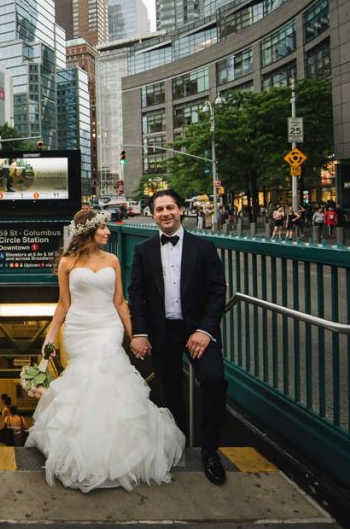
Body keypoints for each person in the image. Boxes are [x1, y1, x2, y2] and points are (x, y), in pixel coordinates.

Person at [26, 208, 184, 492]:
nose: (109, 233)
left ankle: (114, 450)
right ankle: (85, 447)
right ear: (89, 231)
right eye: (103, 228)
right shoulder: (67, 262)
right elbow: (63, 305)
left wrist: (134, 336)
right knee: (85, 383)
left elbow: (120, 302)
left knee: (106, 374)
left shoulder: (112, 260)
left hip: (108, 328)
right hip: (77, 329)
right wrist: (50, 338)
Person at [128, 188, 229, 486]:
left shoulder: (204, 247)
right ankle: (177, 449)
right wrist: (140, 333)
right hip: (162, 332)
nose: (165, 214)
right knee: (170, 393)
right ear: (152, 215)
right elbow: (137, 295)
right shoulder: (143, 251)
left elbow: (217, 292)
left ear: (181, 210)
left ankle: (210, 451)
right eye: (159, 209)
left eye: (170, 207)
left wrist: (204, 331)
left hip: (198, 330)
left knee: (214, 380)